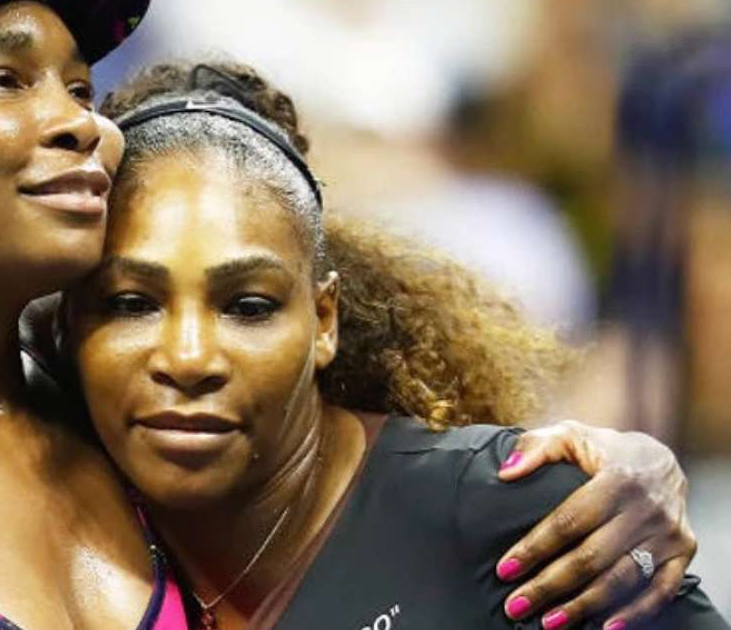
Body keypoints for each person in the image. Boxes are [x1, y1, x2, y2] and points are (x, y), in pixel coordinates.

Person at [0, 0, 700, 628]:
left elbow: (362, 491)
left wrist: (613, 473)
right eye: (4, 79)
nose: (78, 123)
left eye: (78, 86)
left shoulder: (118, 425)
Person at [62, 60, 727, 629]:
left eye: (248, 307)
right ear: (64, 324)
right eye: (131, 304)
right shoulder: (43, 526)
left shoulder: (533, 518)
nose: (187, 358)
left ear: (324, 320)